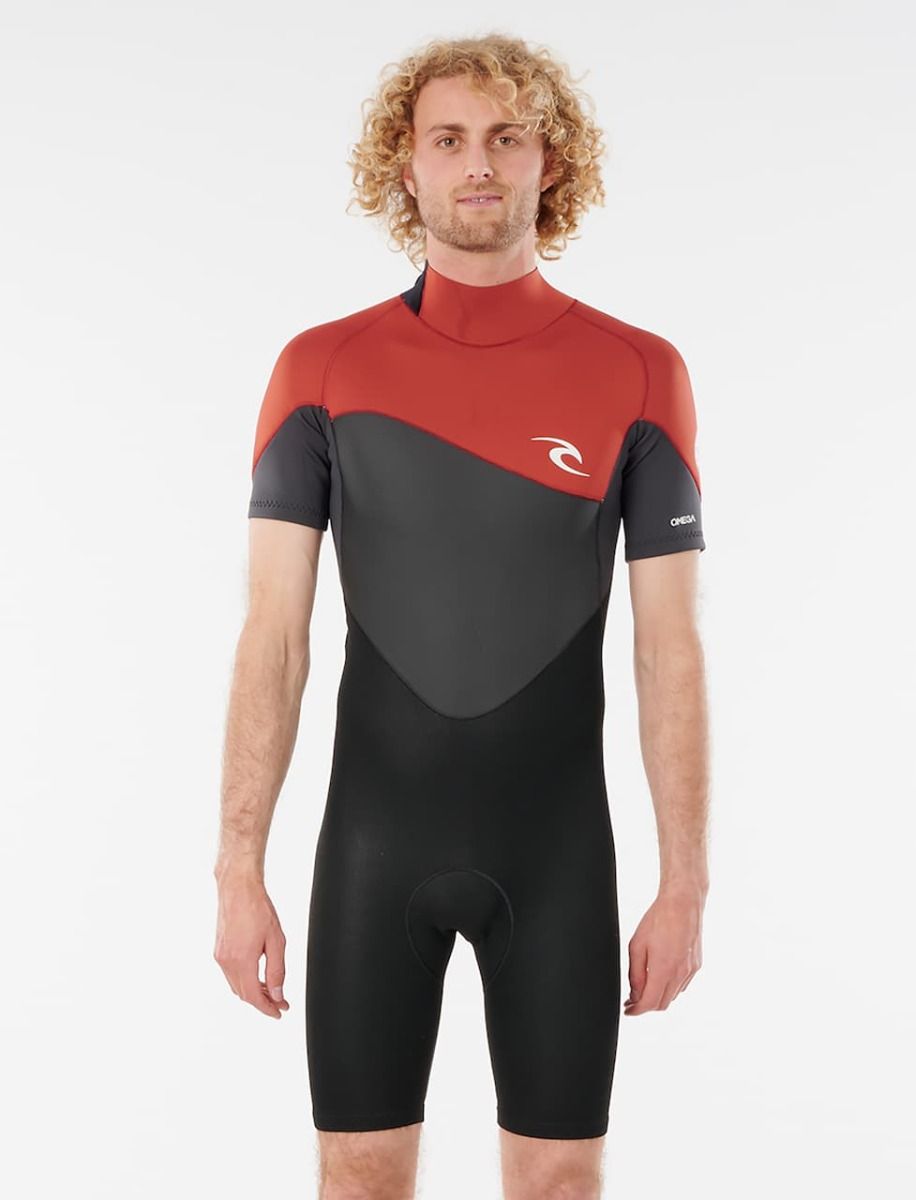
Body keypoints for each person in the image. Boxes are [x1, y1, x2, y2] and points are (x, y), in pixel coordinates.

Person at [214, 32, 710, 1200]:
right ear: (407, 166)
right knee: (358, 1179)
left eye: (505, 136)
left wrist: (685, 882)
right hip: (371, 844)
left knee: (559, 1185)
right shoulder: (321, 369)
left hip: (558, 852)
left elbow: (669, 650)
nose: (477, 162)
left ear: (551, 160)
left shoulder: (640, 372)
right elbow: (273, 638)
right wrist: (237, 869)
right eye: (447, 139)